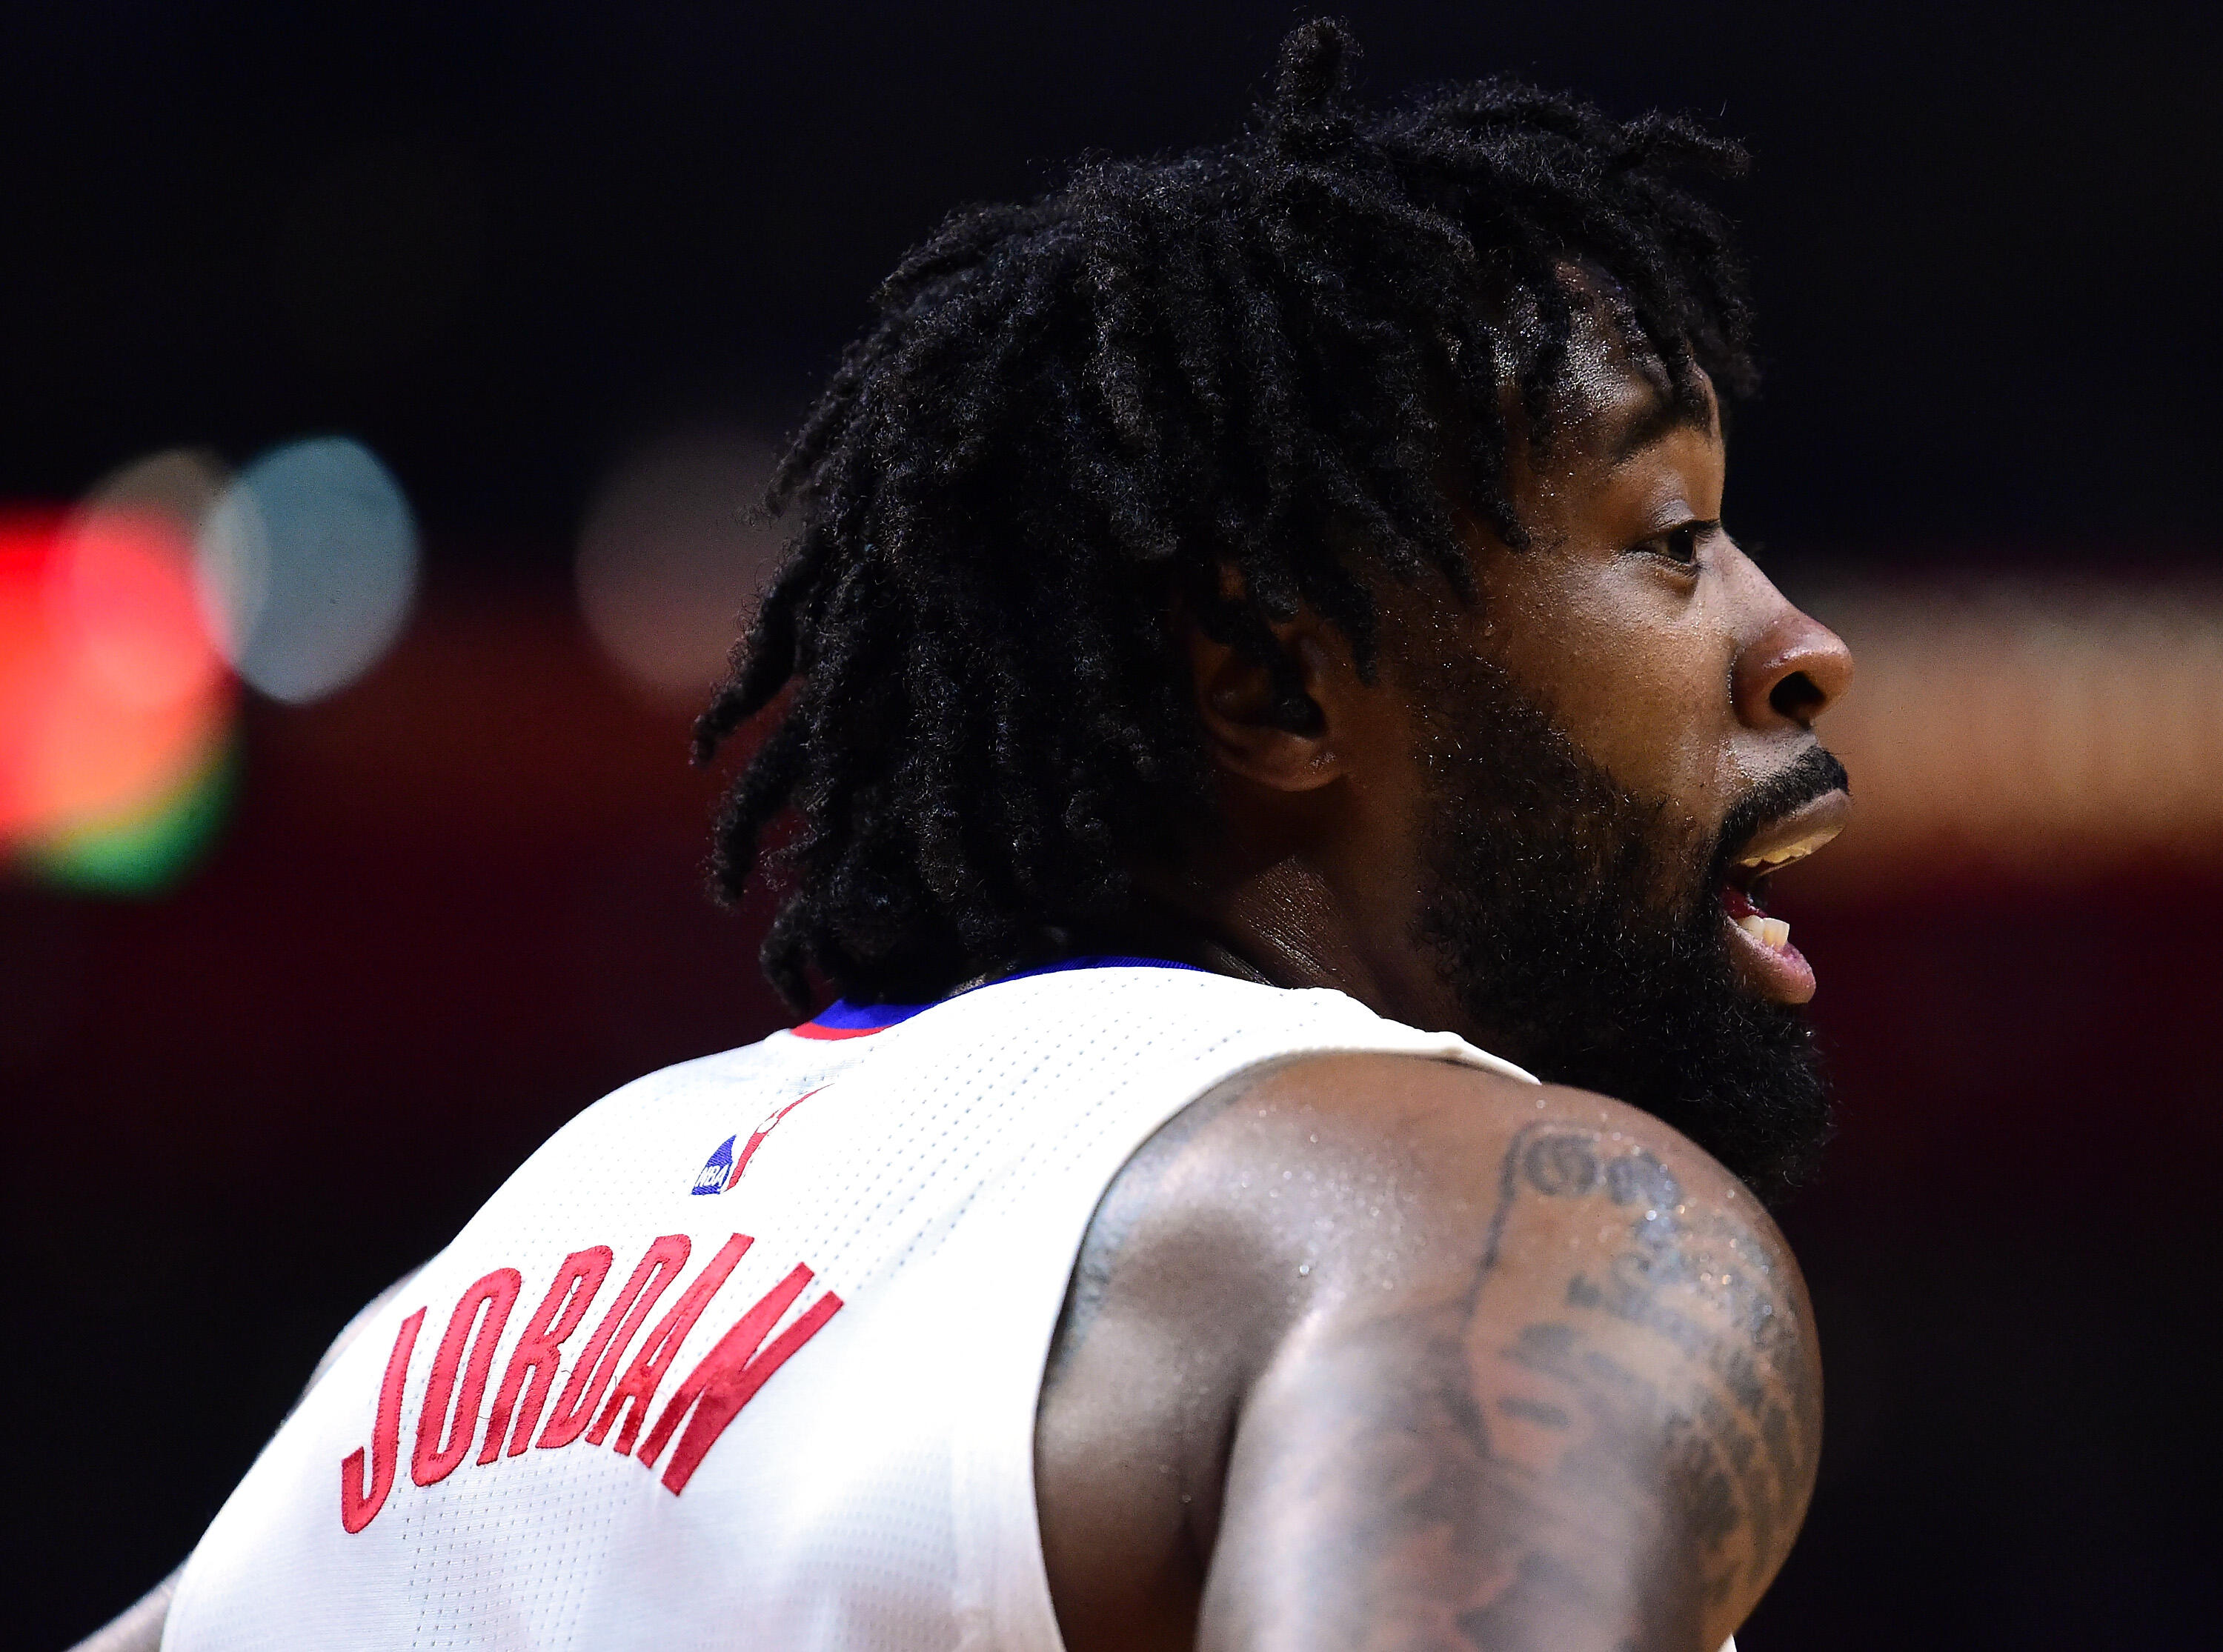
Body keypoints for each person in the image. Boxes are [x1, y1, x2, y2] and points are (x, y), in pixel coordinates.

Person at [89, 20, 1854, 1651]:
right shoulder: (1507, 1224)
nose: (1799, 648)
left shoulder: (436, 1318)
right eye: (1673, 533)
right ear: (1281, 688)